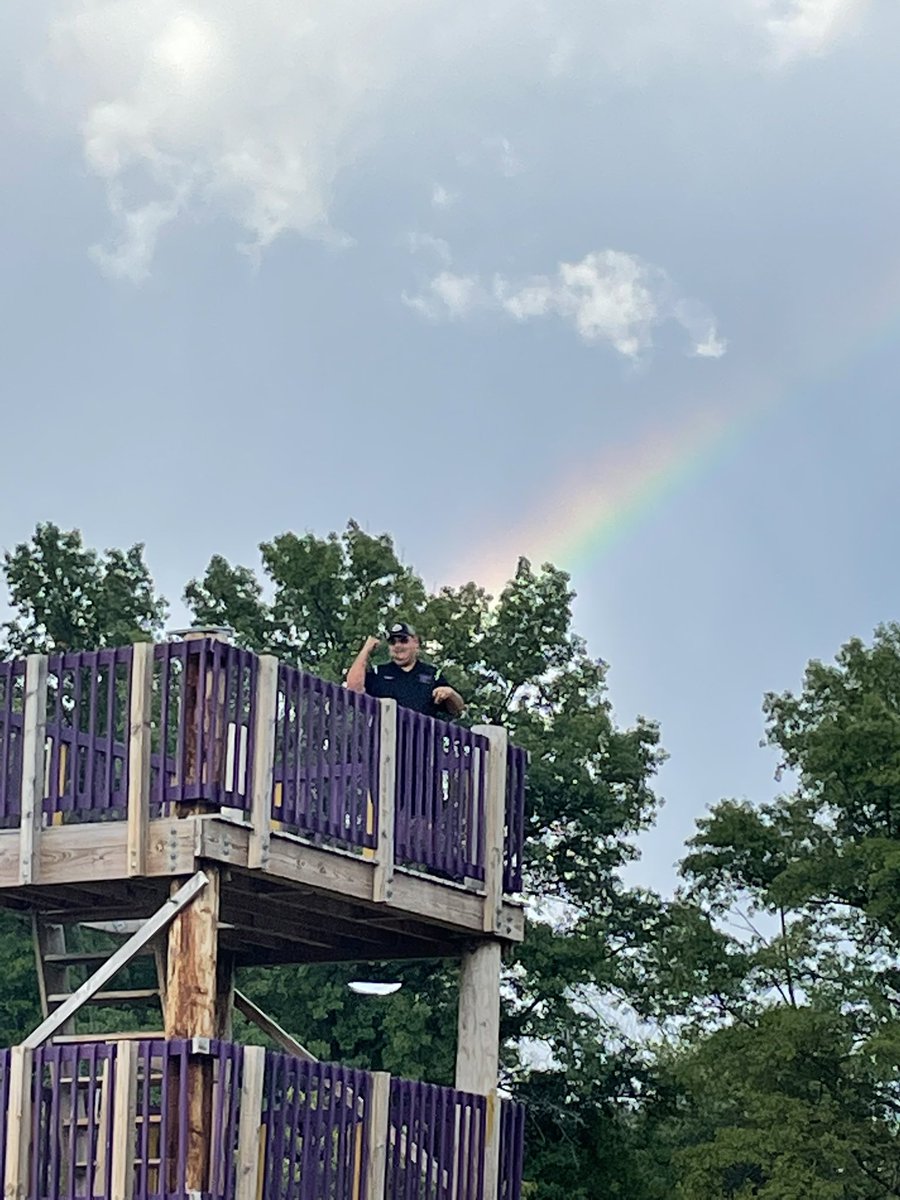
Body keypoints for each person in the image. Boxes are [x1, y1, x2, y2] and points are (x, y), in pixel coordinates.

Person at [345, 622, 465, 719]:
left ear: (415, 642)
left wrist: (451, 693)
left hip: (422, 745)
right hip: (385, 744)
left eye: (403, 640)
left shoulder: (432, 674)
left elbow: (457, 710)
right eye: (392, 642)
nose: (398, 646)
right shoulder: (379, 672)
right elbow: (353, 688)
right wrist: (366, 650)